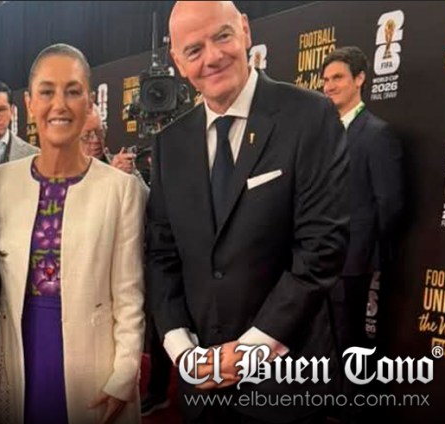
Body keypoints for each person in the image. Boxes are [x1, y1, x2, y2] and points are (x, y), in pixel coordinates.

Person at [146, 2, 348, 424]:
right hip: (200, 388)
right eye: (194, 49)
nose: (212, 57)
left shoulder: (309, 115)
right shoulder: (169, 144)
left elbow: (321, 249)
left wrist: (248, 352)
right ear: (178, 62)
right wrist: (183, 351)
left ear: (245, 31)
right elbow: (162, 256)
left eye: (222, 36)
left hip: (285, 384)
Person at [0, 44, 146, 424]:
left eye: (73, 91)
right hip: (19, 350)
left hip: (94, 358)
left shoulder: (120, 189)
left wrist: (125, 372)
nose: (59, 104)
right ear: (28, 104)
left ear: (89, 102)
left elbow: (128, 295)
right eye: (46, 92)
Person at [322, 46, 404, 424]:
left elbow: (389, 203)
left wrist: (366, 252)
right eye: (325, 79)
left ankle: (353, 411)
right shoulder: (321, 134)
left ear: (359, 79)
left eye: (337, 77)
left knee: (350, 338)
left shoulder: (377, 134)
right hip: (316, 257)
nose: (329, 86)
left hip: (352, 260)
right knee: (323, 337)